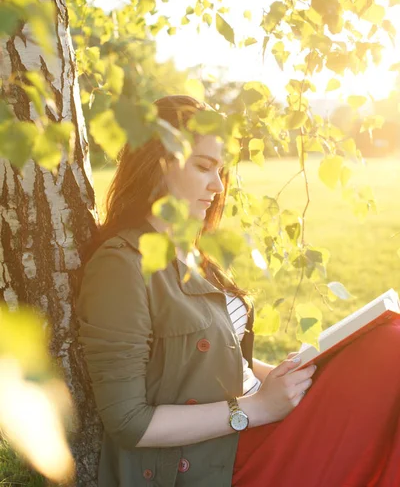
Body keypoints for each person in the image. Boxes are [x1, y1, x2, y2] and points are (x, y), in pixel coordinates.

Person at [77, 95, 400, 487]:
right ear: (156, 165)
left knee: (386, 345)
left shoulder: (197, 254)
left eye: (221, 171)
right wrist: (257, 408)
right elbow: (128, 422)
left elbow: (225, 362)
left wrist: (286, 375)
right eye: (203, 167)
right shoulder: (121, 266)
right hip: (217, 460)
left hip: (257, 423)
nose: (217, 186)